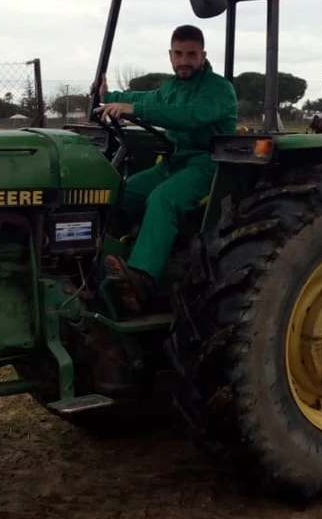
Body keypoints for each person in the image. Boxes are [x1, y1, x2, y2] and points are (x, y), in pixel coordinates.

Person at [95, 24, 239, 313]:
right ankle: (107, 256)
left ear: (203, 55)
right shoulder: (170, 87)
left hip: (208, 165)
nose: (184, 60)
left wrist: (134, 111)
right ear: (170, 54)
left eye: (191, 54)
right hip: (173, 163)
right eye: (179, 54)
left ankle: (143, 280)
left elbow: (187, 116)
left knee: (163, 199)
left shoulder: (219, 90)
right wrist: (109, 97)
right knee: (118, 191)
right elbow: (144, 99)